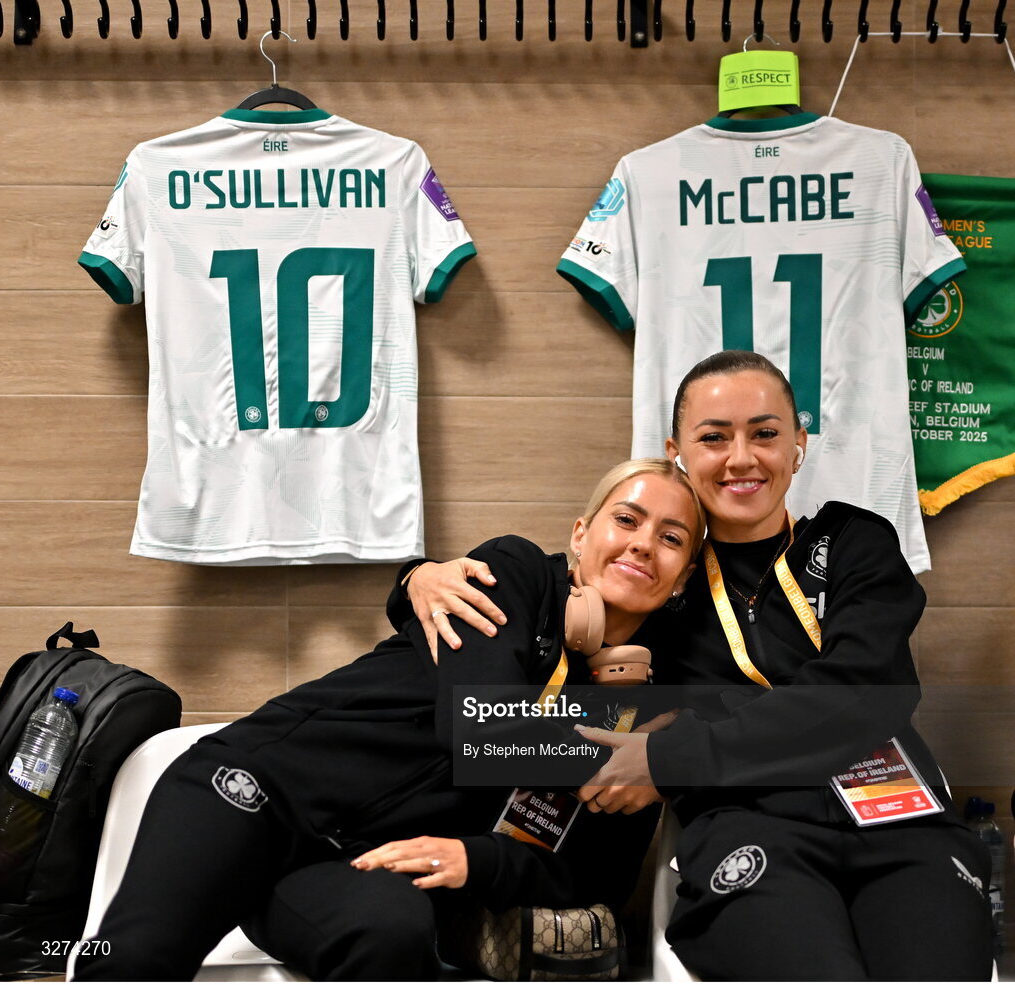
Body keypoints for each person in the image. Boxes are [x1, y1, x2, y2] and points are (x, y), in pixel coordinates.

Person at [400, 350, 995, 982]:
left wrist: (671, 756)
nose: (741, 458)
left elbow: (865, 696)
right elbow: (543, 585)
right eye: (713, 438)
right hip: (751, 828)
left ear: (798, 443)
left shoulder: (852, 545)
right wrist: (417, 576)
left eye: (765, 434)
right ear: (679, 450)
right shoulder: (665, 584)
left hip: (901, 819)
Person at [74, 457, 703, 982]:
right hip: (258, 792)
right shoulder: (507, 576)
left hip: (351, 869)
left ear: (683, 579)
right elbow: (477, 732)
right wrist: (636, 753)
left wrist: (474, 858)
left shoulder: (649, 711)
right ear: (580, 534)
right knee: (130, 961)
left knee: (392, 932)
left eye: (671, 538)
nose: (643, 543)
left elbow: (595, 873)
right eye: (626, 519)